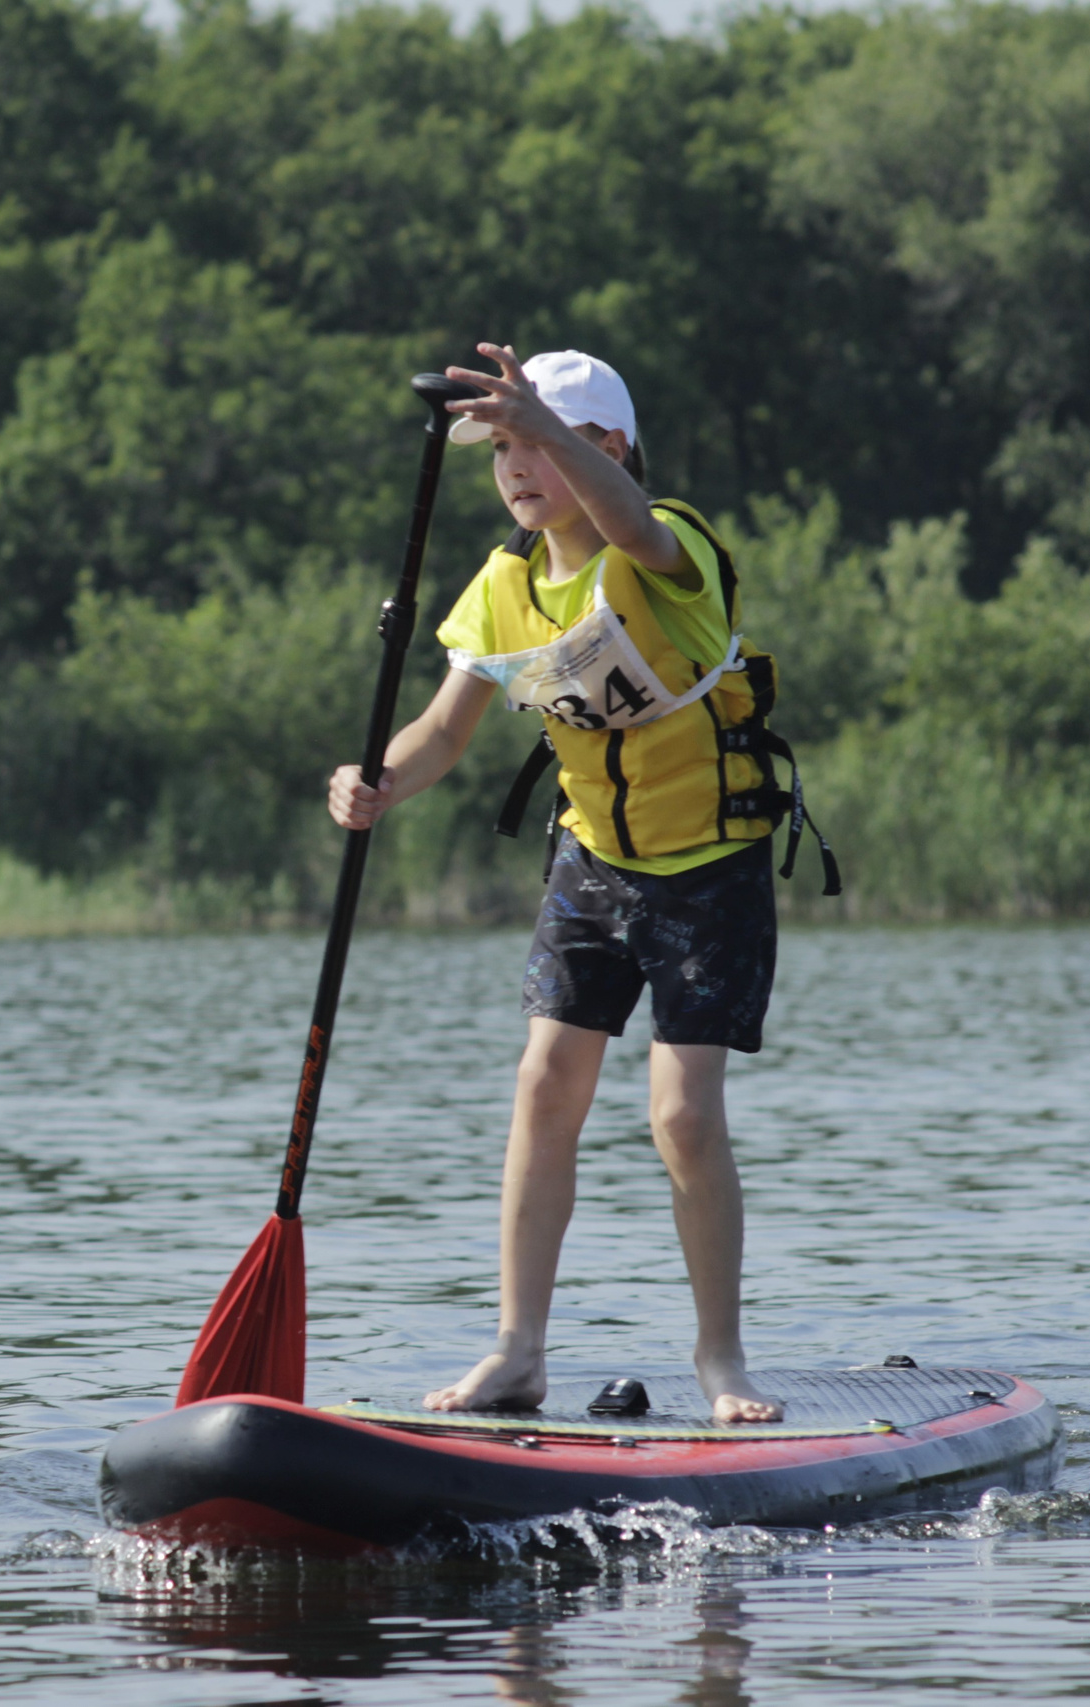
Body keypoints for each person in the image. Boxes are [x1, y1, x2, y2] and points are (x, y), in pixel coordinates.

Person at [327, 343, 796, 1426]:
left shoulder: (666, 546)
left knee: (681, 1119)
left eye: (537, 444)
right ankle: (516, 1352)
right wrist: (373, 783)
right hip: (590, 863)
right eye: (500, 451)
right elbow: (443, 731)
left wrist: (538, 418)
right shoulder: (500, 588)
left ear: (611, 449)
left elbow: (627, 525)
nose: (515, 470)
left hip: (708, 868)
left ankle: (721, 1362)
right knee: (543, 1087)